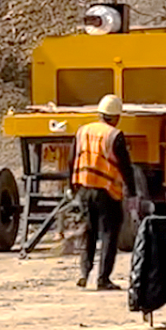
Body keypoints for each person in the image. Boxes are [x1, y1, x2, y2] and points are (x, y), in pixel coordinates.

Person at [69, 93, 137, 290]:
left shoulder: (83, 131)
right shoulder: (114, 135)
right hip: (107, 191)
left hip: (84, 188)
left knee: (88, 231)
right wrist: (132, 192)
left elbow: (71, 159)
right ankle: (103, 279)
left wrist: (71, 186)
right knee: (109, 234)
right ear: (116, 117)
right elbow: (126, 166)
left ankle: (84, 273)